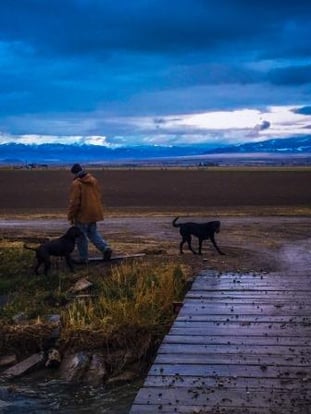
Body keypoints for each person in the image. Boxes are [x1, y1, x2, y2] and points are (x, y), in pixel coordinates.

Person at [67, 163, 112, 263]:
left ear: (74, 173)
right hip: (94, 212)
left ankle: (83, 258)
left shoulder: (76, 184)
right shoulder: (93, 180)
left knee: (81, 236)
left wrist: (71, 215)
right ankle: (105, 249)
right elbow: (98, 195)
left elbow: (75, 202)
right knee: (93, 233)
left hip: (82, 214)